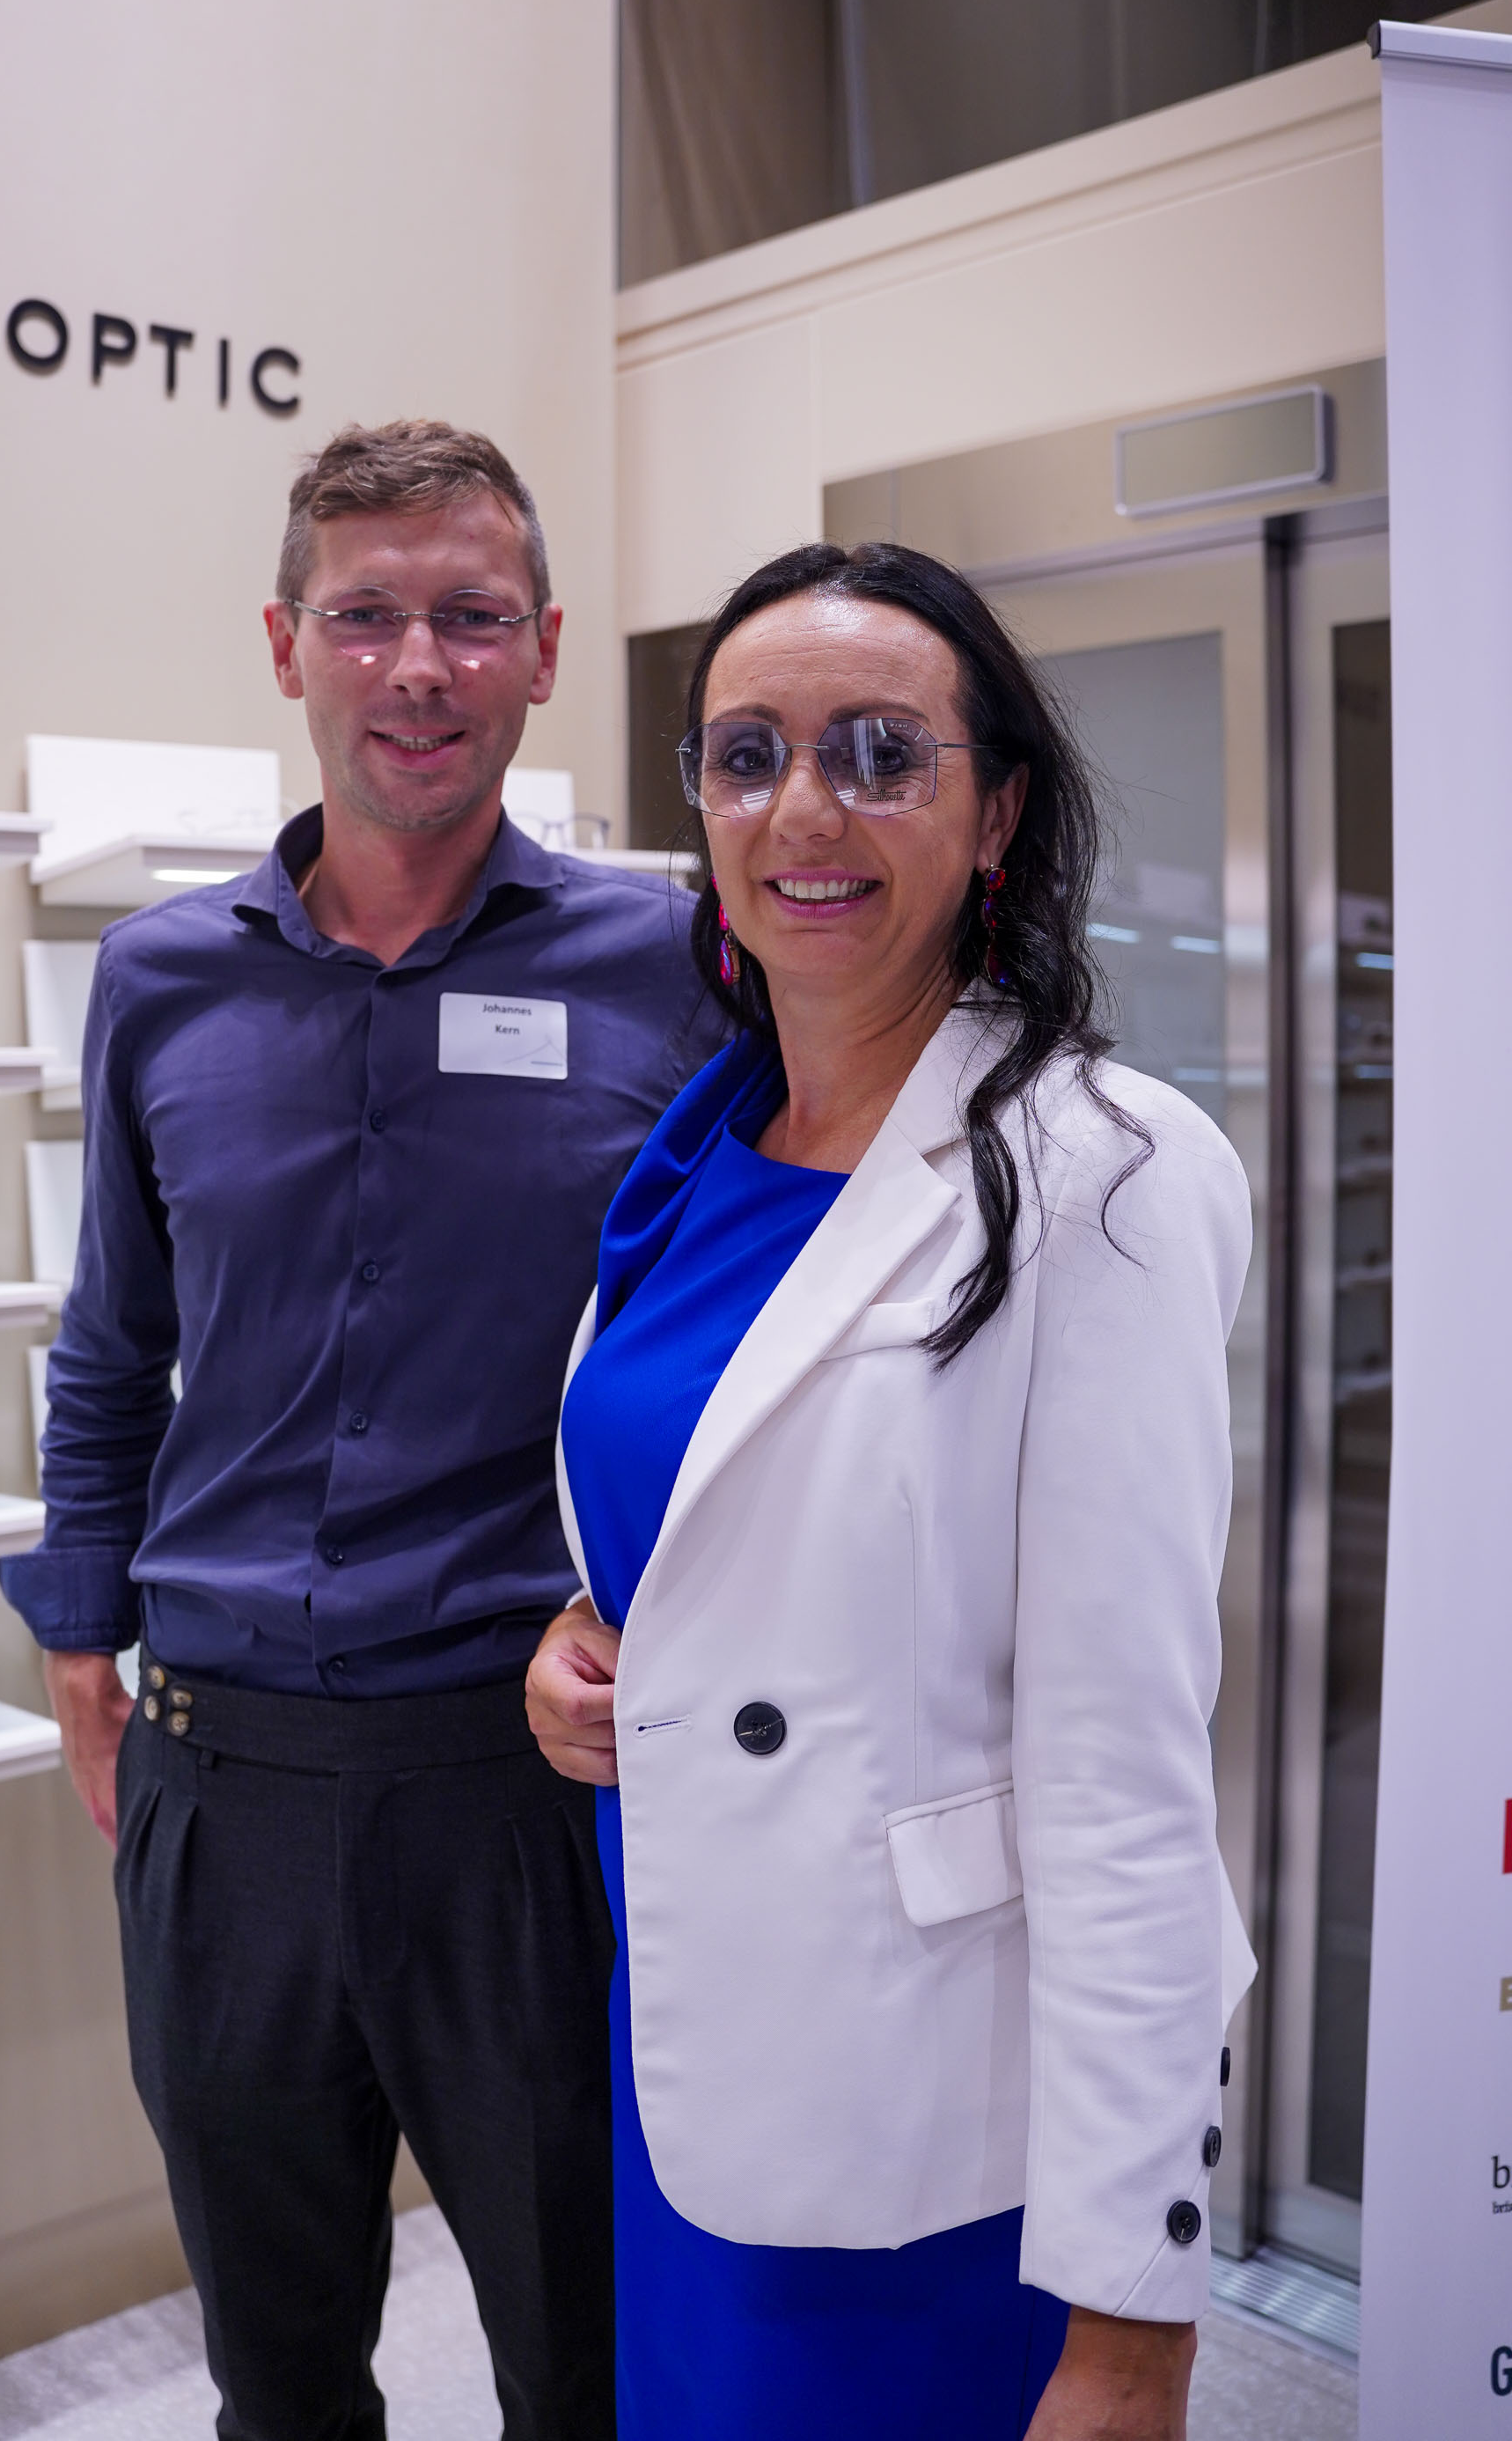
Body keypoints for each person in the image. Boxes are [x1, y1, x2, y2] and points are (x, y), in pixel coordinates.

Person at [0, 420, 716, 2441]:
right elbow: (113, 1342)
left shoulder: (673, 971)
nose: (418, 666)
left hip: (522, 1789)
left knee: (584, 2367)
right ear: (285, 643)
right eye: (366, 616)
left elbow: (732, 1342)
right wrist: (79, 1641)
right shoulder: (159, 983)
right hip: (220, 1784)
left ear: (544, 650)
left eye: (471, 617)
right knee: (278, 2375)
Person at [526, 540, 1256, 2441]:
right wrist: (588, 1647)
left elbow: (1125, 1773)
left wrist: (1135, 2315)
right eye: (746, 754)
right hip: (688, 2032)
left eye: (877, 752)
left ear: (995, 810)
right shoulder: (700, 1146)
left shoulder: (1102, 1174)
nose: (802, 811)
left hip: (922, 2116)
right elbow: (706, 1521)